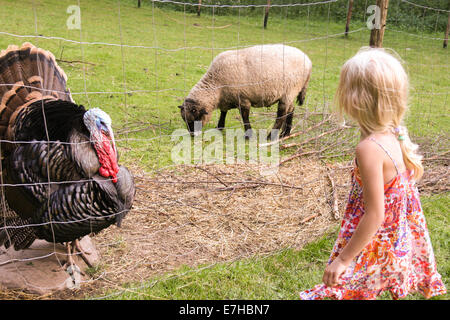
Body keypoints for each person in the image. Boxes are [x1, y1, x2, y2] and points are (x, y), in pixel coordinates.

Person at [299, 47, 447, 300]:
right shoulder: (394, 132)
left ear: (355, 100)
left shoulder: (368, 148)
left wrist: (343, 259)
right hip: (393, 242)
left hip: (371, 246)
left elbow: (376, 213)